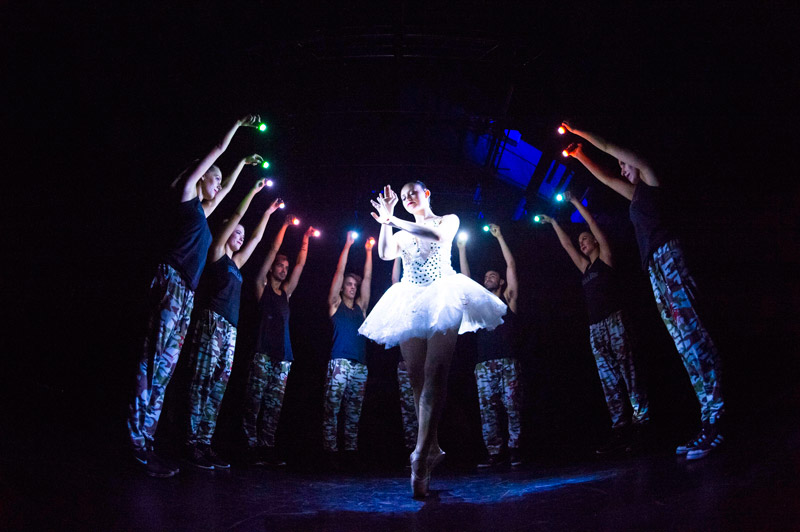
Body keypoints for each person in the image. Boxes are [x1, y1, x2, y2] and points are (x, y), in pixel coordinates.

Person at [561, 122, 724, 460]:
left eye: (625, 163)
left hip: (669, 258)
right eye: (622, 165)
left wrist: (579, 133)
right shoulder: (635, 195)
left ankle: (719, 416)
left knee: (694, 336)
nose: (622, 169)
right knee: (683, 344)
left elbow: (610, 147)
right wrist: (580, 157)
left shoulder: (650, 178)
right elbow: (607, 178)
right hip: (654, 267)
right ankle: (708, 417)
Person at [128, 114, 261, 478]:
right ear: (200, 178)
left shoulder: (203, 214)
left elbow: (229, 195)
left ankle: (147, 441)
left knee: (165, 370)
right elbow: (216, 149)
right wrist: (237, 125)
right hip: (170, 281)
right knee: (152, 361)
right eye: (214, 178)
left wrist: (241, 166)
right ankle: (135, 441)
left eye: (219, 180)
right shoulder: (187, 197)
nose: (218, 184)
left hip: (186, 293)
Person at [359, 181, 507, 498]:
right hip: (410, 298)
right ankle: (431, 447)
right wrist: (386, 223)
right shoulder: (400, 231)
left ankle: (419, 454)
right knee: (416, 378)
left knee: (435, 371)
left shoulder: (447, 220)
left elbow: (436, 237)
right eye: (403, 196)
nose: (408, 198)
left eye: (413, 192)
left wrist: (394, 219)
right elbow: (385, 253)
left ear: (426, 194)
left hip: (444, 293)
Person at [184, 176, 282, 471]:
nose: (241, 236)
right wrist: (253, 191)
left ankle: (205, 443)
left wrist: (268, 213)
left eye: (241, 234)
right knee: (201, 382)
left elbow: (256, 240)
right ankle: (189, 442)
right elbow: (237, 215)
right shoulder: (216, 253)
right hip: (212, 322)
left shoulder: (237, 264)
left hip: (230, 329)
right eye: (236, 232)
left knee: (218, 387)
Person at [540, 191, 649, 454]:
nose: (582, 243)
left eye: (585, 239)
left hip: (615, 321)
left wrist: (575, 202)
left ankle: (643, 425)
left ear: (596, 242)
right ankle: (620, 428)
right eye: (581, 241)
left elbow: (593, 225)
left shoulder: (605, 258)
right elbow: (567, 246)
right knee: (609, 380)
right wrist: (554, 223)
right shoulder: (585, 268)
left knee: (629, 372)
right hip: (596, 328)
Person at [242, 215, 316, 466]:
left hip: (283, 356)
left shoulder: (286, 293)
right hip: (262, 353)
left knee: (274, 406)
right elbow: (272, 250)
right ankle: (249, 447)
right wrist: (284, 225)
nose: (284, 269)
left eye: (286, 267)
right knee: (254, 401)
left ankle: (267, 447)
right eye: (280, 266)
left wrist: (305, 239)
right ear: (272, 267)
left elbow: (300, 265)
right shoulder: (261, 287)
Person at [457, 224, 523, 467]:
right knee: (487, 410)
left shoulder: (508, 300)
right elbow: (465, 281)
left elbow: (511, 265)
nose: (488, 278)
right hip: (483, 364)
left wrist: (500, 236)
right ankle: (494, 452)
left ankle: (515, 449)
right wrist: (461, 249)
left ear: (501, 281)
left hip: (507, 361)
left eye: (492, 276)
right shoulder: (479, 307)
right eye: (485, 277)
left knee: (512, 406)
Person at [322, 232, 374, 467]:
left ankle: (350, 452)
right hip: (339, 362)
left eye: (355, 285)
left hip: (360, 365)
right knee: (332, 408)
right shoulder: (335, 305)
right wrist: (348, 245)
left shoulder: (361, 309)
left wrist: (369, 252)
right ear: (342, 288)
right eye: (349, 284)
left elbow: (368, 278)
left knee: (354, 411)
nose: (353, 287)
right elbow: (339, 272)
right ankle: (330, 452)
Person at [392, 257, 419, 460]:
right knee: (408, 409)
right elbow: (395, 282)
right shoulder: (403, 305)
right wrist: (398, 255)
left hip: (422, 363)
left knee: (424, 405)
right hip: (405, 364)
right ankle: (412, 451)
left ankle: (426, 447)